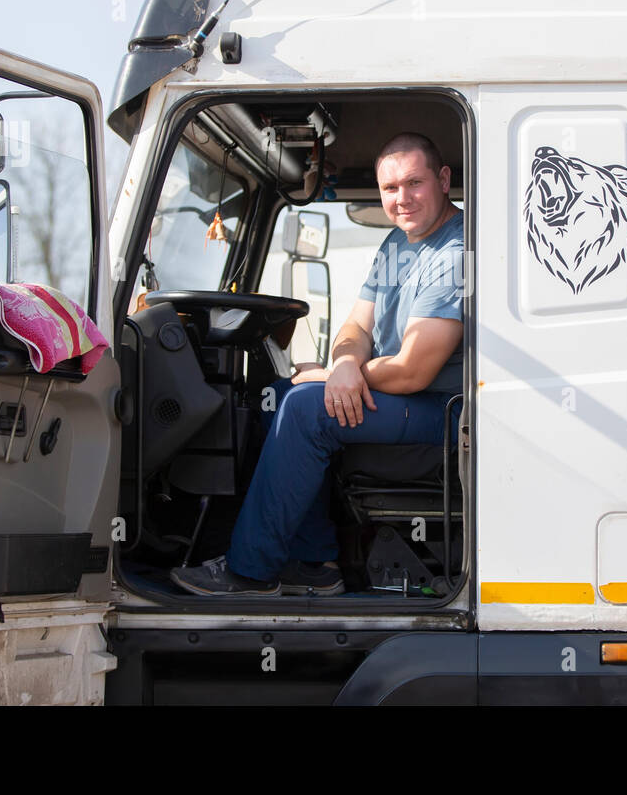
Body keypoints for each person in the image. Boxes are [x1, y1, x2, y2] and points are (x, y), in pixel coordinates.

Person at [170, 132, 465, 596]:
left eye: (415, 183)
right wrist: (345, 363)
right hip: (396, 398)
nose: (402, 199)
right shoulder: (397, 244)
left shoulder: (455, 252)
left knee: (309, 408)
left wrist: (332, 376)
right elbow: (356, 329)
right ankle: (313, 563)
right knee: (280, 397)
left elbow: (413, 371)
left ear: (444, 179)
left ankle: (250, 571)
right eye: (390, 189)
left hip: (442, 414)